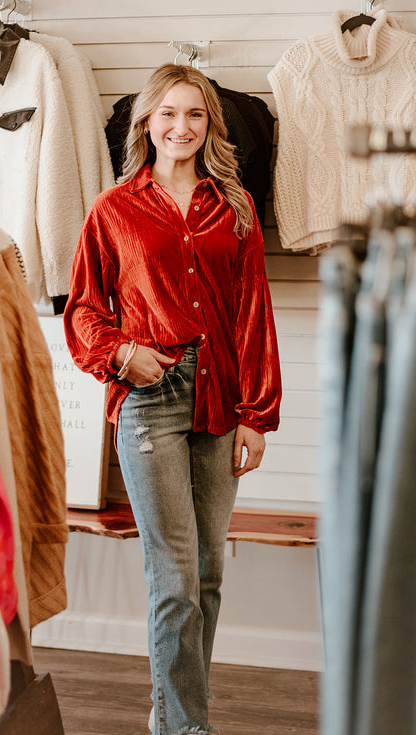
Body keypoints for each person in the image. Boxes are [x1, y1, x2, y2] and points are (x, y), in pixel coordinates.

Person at [64, 63, 282, 735]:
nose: (180, 126)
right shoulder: (113, 209)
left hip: (221, 396)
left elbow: (252, 312)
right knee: (174, 576)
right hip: (151, 398)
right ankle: (184, 725)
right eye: (167, 113)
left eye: (193, 114)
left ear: (209, 125)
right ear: (145, 123)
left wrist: (256, 415)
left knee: (208, 573)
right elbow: (81, 312)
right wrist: (125, 354)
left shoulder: (235, 205)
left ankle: (173, 710)